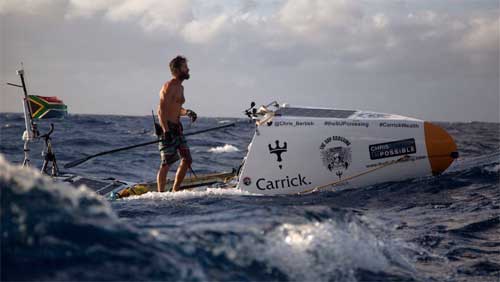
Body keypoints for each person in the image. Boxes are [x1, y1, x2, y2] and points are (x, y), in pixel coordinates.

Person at [157, 55, 197, 192]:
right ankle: (160, 194)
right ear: (177, 69)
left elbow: (176, 109)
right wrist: (166, 131)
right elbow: (161, 111)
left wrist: (187, 112)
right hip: (166, 128)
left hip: (177, 129)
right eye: (185, 67)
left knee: (187, 159)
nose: (188, 69)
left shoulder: (181, 88)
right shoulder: (168, 86)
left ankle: (175, 190)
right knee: (166, 164)